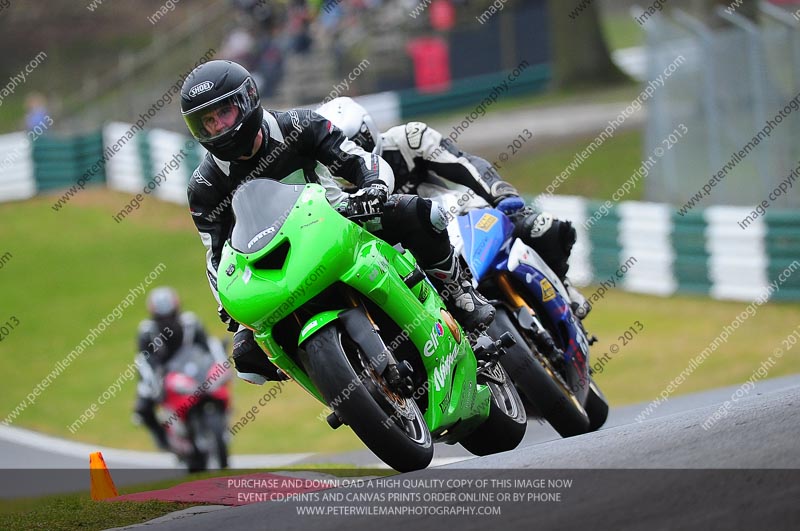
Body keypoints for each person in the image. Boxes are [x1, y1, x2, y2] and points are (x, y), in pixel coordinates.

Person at [180, 60, 494, 385]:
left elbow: (357, 159)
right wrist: (228, 302)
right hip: (277, 261)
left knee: (420, 213)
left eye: (223, 114)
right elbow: (216, 255)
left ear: (246, 100)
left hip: (339, 219)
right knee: (247, 357)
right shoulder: (204, 186)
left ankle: (458, 293)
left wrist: (374, 187)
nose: (217, 128)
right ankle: (335, 385)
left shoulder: (297, 125)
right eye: (207, 122)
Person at [316, 97, 591, 319]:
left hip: (465, 217)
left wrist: (501, 194)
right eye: (337, 155)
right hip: (417, 262)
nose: (348, 157)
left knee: (544, 228)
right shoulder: (335, 194)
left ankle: (564, 286)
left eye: (354, 144)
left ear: (368, 130)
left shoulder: (409, 139)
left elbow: (463, 164)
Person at [133, 287, 219, 450]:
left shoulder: (191, 323)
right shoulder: (146, 331)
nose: (167, 322)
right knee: (142, 409)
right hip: (162, 375)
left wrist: (214, 365)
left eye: (170, 315)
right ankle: (163, 439)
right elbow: (144, 359)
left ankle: (220, 423)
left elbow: (207, 347)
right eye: (162, 318)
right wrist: (155, 380)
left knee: (215, 390)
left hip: (191, 371)